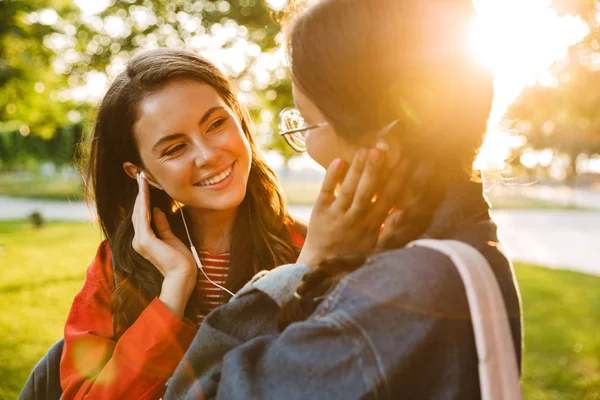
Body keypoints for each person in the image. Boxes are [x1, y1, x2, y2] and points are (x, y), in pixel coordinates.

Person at [164, 0, 523, 398]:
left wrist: (303, 267)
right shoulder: (460, 240)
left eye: (305, 121)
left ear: (382, 140)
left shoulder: (404, 292)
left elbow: (191, 391)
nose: (305, 142)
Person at [58, 48, 306, 399]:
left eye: (216, 124)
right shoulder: (113, 269)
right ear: (142, 174)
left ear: (237, 117)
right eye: (175, 148)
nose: (207, 156)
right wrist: (174, 290)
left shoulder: (305, 249)